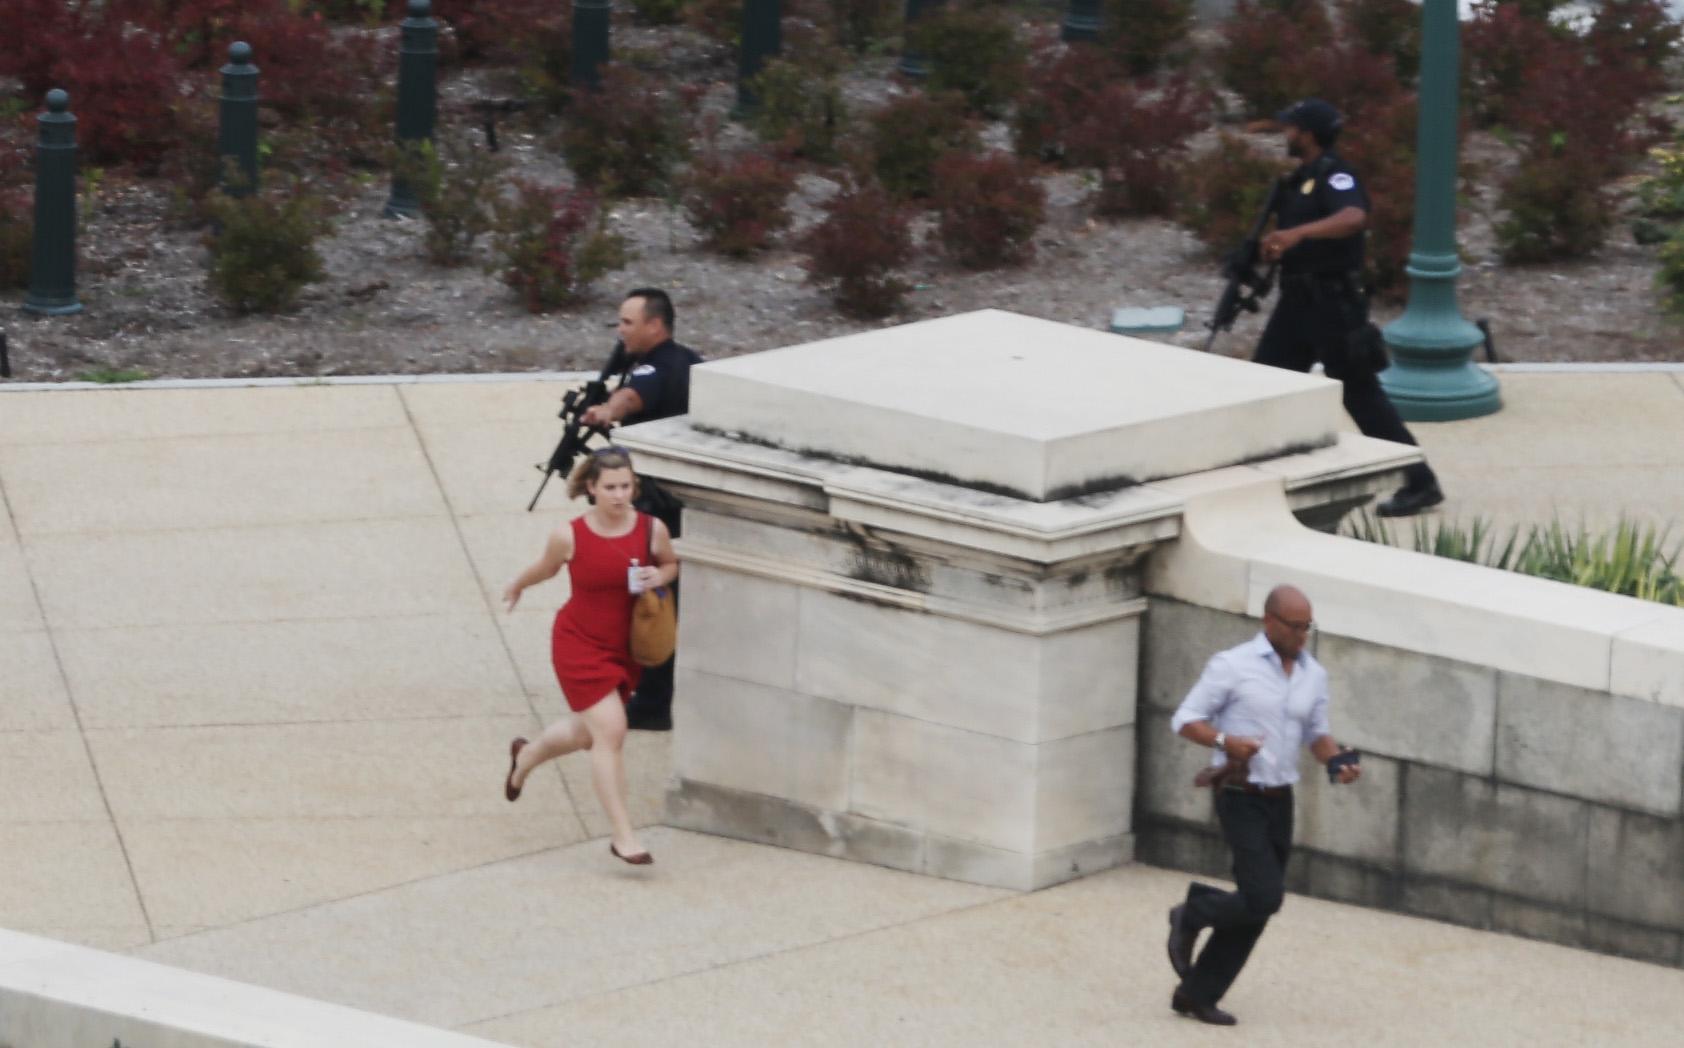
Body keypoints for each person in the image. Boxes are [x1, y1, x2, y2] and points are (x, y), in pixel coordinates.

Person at [1163, 584, 1362, 1026]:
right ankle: (1193, 912)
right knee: (1265, 895)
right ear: (1268, 622)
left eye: (1307, 626)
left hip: (1280, 798)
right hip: (1238, 793)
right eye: (1294, 626)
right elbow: (1185, 720)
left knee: (1258, 906)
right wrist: (1224, 741)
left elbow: (1317, 735)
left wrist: (1338, 763)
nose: (1302, 635)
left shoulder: (1314, 675)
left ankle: (1196, 993)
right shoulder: (1233, 666)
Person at [1256, 98, 1445, 518]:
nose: (1285, 136)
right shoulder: (1299, 180)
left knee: (1361, 395)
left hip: (1332, 304)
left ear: (1308, 134)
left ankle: (1420, 482)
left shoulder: (1336, 175)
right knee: (1267, 384)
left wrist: (1299, 234)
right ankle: (1276, 480)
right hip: (1296, 302)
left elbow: (1354, 217)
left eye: (1291, 129)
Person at [501, 446, 679, 865]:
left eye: (626, 486)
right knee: (612, 732)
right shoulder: (570, 535)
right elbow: (546, 569)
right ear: (592, 489)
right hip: (578, 643)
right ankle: (624, 836)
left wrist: (661, 574)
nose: (620, 495)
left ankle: (525, 756)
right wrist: (517, 585)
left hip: (626, 648)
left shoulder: (652, 529)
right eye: (611, 487)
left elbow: (671, 564)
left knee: (587, 734)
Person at [579, 288, 701, 731]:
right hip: (683, 497)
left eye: (628, 322)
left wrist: (606, 411)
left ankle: (651, 702)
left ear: (655, 325)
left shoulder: (655, 366)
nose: (620, 330)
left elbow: (633, 397)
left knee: (651, 598)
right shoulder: (689, 360)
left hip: (660, 506)